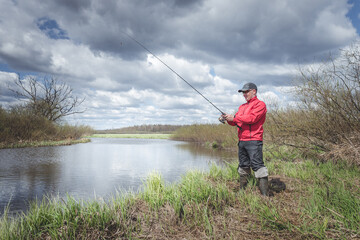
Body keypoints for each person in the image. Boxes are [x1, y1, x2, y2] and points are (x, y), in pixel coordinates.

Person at [221, 82, 269, 196]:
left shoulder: (260, 105)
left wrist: (235, 117)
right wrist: (228, 119)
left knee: (258, 166)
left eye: (246, 91)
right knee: (243, 165)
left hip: (254, 140)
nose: (244, 94)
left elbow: (252, 118)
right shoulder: (242, 107)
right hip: (242, 141)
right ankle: (242, 191)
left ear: (254, 91)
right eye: (243, 92)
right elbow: (236, 122)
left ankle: (265, 196)